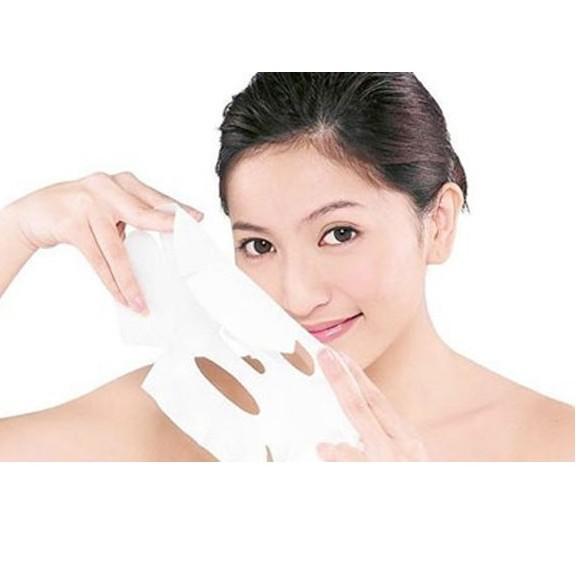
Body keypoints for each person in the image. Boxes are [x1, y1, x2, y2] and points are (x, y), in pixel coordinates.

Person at [0, 73, 574, 461]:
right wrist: (16, 230)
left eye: (339, 233)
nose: (296, 297)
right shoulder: (177, 414)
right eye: (258, 246)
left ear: (439, 223)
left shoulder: (553, 448)